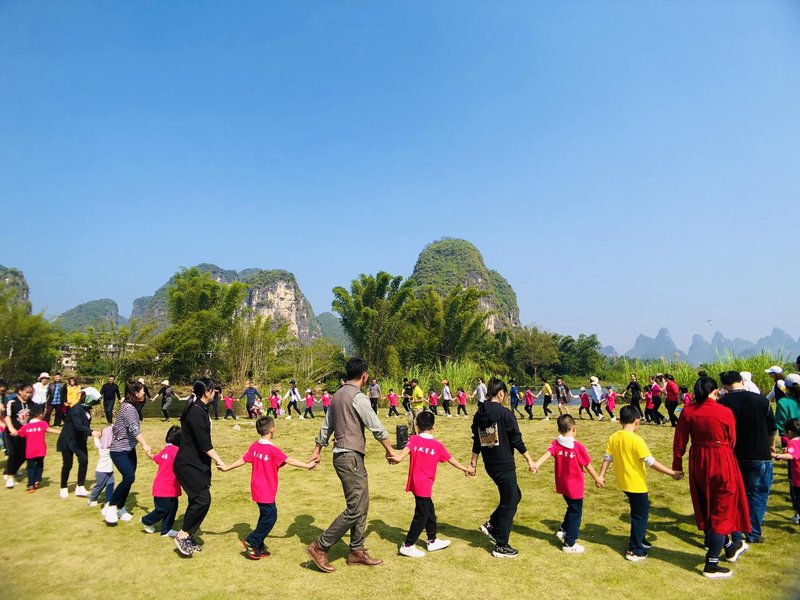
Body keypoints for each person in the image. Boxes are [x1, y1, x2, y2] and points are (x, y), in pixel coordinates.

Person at [306, 358, 397, 573]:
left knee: (361, 503)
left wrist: (317, 450)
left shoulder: (337, 395)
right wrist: (390, 450)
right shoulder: (358, 397)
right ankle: (320, 546)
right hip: (350, 457)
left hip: (344, 456)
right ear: (364, 375)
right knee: (355, 507)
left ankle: (356, 550)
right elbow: (375, 425)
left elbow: (326, 426)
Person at [672, 376, 751, 579]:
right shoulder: (724, 411)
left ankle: (729, 547)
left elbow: (679, 440)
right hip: (722, 458)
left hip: (698, 460)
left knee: (706, 504)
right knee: (723, 508)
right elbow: (732, 439)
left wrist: (677, 465)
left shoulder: (688, 411)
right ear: (715, 392)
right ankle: (712, 564)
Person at [219, 415, 317, 559]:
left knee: (265, 515)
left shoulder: (254, 446)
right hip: (265, 489)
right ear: (272, 430)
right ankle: (252, 541)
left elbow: (243, 459)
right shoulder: (272, 450)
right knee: (271, 516)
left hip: (257, 487)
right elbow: (289, 460)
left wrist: (227, 467)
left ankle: (258, 544)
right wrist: (307, 465)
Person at [598, 405, 683, 561]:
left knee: (637, 513)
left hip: (624, 483)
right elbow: (651, 462)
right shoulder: (636, 440)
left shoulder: (614, 437)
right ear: (637, 422)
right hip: (636, 485)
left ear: (620, 421)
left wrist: (601, 475)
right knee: (640, 516)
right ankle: (635, 550)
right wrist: (672, 473)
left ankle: (641, 539)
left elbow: (607, 457)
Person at [468, 377, 537, 559]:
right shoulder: (505, 414)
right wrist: (530, 460)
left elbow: (477, 441)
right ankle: (501, 544)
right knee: (510, 501)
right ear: (501, 394)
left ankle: (492, 524)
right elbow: (516, 440)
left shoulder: (479, 414)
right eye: (504, 395)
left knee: (515, 495)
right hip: (504, 464)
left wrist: (473, 463)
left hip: (490, 465)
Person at [391, 411, 472, 558]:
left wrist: (394, 457)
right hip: (424, 485)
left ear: (417, 425)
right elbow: (451, 460)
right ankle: (407, 545)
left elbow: (400, 456)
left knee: (429, 510)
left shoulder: (414, 439)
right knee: (421, 515)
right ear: (434, 426)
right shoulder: (436, 446)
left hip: (416, 483)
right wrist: (465, 468)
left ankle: (432, 540)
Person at [719, 370, 777, 544]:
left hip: (734, 455)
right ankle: (753, 532)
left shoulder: (722, 403)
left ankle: (736, 532)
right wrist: (771, 445)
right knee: (758, 494)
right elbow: (772, 428)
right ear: (742, 381)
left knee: (737, 495)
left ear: (724, 386)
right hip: (760, 454)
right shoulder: (761, 401)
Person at [531, 414, 604, 554]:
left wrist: (536, 464)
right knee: (576, 512)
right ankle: (569, 543)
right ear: (574, 428)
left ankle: (563, 529)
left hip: (562, 484)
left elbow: (547, 454)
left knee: (571, 507)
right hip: (575, 486)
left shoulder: (556, 443)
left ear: (559, 430)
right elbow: (588, 465)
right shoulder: (578, 447)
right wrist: (597, 478)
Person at [173, 378, 228, 556]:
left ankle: (188, 536)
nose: (215, 392)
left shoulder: (201, 408)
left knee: (196, 499)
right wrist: (219, 460)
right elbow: (204, 444)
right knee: (203, 499)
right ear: (206, 392)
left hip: (197, 463)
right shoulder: (196, 412)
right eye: (213, 390)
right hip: (188, 464)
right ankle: (183, 534)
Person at [103, 381, 154, 525]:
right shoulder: (128, 408)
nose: (144, 393)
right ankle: (111, 506)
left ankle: (121, 507)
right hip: (119, 450)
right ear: (135, 393)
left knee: (129, 479)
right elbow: (133, 428)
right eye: (142, 391)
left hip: (130, 449)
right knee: (129, 477)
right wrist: (145, 444)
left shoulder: (131, 406)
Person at [57, 387, 102, 499]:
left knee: (84, 460)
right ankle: (63, 487)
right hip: (68, 439)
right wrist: (91, 432)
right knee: (68, 464)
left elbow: (84, 424)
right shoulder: (75, 409)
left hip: (79, 440)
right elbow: (78, 425)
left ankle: (80, 487)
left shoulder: (86, 409)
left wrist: (89, 434)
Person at [141, 426, 182, 538]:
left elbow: (156, 458)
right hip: (164, 487)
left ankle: (166, 530)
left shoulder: (166, 449)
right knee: (163, 509)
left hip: (170, 486)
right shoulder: (175, 451)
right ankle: (146, 520)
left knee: (172, 508)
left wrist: (149, 453)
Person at [18, 404, 60, 491]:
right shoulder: (43, 424)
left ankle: (31, 484)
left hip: (30, 451)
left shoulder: (26, 426)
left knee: (31, 467)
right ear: (40, 414)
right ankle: (37, 480)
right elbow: (50, 430)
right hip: (40, 450)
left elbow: (19, 433)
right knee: (39, 465)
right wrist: (61, 432)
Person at [776, 375, 800, 522]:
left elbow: (780, 425)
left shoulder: (783, 402)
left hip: (791, 442)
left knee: (794, 478)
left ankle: (797, 512)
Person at [4, 383, 33, 489]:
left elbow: (34, 416)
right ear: (20, 391)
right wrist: (12, 428)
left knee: (23, 455)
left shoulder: (31, 403)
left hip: (25, 433)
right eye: (27, 392)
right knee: (13, 453)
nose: (28, 395)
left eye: (30, 393)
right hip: (12, 433)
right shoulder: (12, 402)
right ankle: (10, 476)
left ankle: (11, 470)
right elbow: (7, 416)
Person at [772, 418, 800, 529]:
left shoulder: (793, 442)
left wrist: (777, 456)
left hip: (798, 479)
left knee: (798, 500)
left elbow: (792, 455)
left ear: (789, 432)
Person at [88, 425, 115, 508]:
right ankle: (92, 499)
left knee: (110, 485)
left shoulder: (101, 446)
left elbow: (96, 440)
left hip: (109, 471)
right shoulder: (109, 449)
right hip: (102, 471)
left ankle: (108, 500)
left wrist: (97, 436)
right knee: (99, 486)